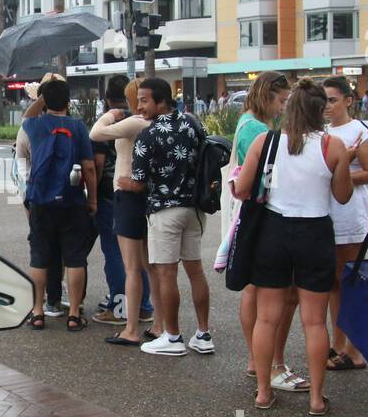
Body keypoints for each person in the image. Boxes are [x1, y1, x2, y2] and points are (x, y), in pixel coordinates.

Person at [234, 80, 352, 414]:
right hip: (315, 232)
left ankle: (262, 392)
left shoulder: (265, 141)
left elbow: (243, 189)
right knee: (314, 321)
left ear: (290, 108)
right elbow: (343, 196)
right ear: (320, 110)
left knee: (267, 318)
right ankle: (316, 398)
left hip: (273, 231)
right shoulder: (334, 145)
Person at [123, 77, 214, 356]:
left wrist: (124, 182)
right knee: (195, 270)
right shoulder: (192, 123)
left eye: (144, 100)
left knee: (166, 273)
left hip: (164, 211)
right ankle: (203, 333)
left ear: (161, 101)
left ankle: (173, 337)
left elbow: (138, 183)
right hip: (194, 209)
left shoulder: (148, 136)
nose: (139, 106)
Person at [230, 72, 305, 388]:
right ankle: (267, 363)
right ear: (266, 95)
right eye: (281, 100)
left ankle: (256, 360)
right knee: (265, 293)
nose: (283, 107)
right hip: (265, 214)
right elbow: (265, 179)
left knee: (254, 289)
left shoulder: (248, 123)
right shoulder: (258, 130)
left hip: (252, 213)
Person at [21, 77, 96, 331]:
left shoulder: (36, 125)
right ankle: (74, 315)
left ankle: (38, 312)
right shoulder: (78, 127)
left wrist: (42, 96)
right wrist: (92, 199)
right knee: (74, 258)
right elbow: (88, 167)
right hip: (73, 200)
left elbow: (26, 116)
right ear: (68, 101)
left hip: (41, 200)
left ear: (45, 101)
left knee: (39, 257)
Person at [91, 77, 158, 345]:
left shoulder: (134, 123)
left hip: (127, 195)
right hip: (149, 196)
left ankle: (130, 328)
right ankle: (157, 321)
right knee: (151, 266)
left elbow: (95, 133)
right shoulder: (157, 123)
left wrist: (109, 115)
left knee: (131, 266)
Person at [323, 76, 368, 372]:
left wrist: (340, 173)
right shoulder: (321, 132)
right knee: (334, 283)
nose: (327, 106)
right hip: (326, 215)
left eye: (333, 99)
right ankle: (338, 343)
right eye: (324, 100)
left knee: (351, 282)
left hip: (350, 216)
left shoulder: (360, 131)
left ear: (348, 100)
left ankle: (355, 350)